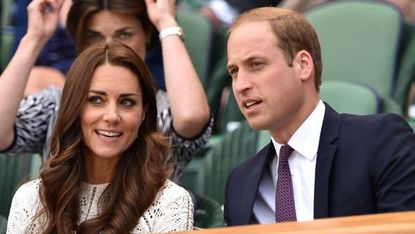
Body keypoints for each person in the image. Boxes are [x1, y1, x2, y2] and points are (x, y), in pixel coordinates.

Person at [224, 7, 415, 226]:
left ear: (303, 65)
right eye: (234, 71)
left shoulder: (380, 141)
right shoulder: (240, 183)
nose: (240, 86)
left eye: (256, 65)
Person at [0, 0, 213, 181]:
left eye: (124, 35)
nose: (109, 47)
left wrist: (166, 23)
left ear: (147, 35)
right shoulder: (56, 104)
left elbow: (191, 117)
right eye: (94, 36)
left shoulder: (162, 109)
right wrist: (34, 39)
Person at [6, 41, 193, 233]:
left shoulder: (170, 201)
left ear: (143, 112)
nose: (112, 116)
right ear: (74, 108)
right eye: (96, 100)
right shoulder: (30, 199)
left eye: (127, 102)